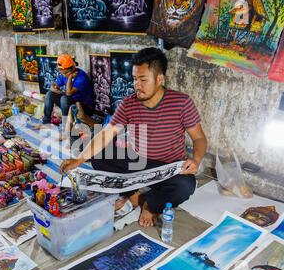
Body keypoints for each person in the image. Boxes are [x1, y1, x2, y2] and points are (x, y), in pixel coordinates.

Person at [60, 47, 208, 228]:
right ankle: (134, 195)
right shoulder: (129, 103)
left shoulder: (182, 102)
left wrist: (196, 159)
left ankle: (150, 204)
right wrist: (78, 160)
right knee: (96, 154)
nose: (137, 85)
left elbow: (199, 138)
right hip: (137, 163)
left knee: (186, 185)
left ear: (159, 79)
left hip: (168, 166)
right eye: (135, 79)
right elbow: (107, 133)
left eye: (143, 80)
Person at [42, 54, 95, 134]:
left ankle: (66, 128)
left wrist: (70, 78)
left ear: (73, 68)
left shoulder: (82, 77)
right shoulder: (64, 74)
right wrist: (54, 88)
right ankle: (46, 122)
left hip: (83, 107)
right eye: (62, 73)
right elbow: (54, 85)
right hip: (69, 103)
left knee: (64, 98)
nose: (64, 75)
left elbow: (68, 93)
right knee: (50, 94)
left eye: (66, 73)